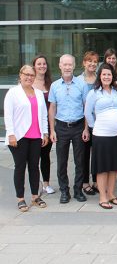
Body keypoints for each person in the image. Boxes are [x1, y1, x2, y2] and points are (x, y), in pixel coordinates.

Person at [4, 65, 49, 212]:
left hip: (36, 136)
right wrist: (11, 134)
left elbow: (43, 115)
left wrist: (45, 133)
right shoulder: (13, 93)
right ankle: (20, 198)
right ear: (20, 75)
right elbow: (8, 115)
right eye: (26, 74)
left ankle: (35, 196)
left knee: (34, 167)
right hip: (19, 136)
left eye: (32, 75)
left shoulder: (38, 93)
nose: (29, 77)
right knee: (20, 167)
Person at [48, 54, 89, 204]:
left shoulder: (81, 84)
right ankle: (64, 191)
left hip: (78, 126)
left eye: (69, 64)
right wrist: (52, 130)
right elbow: (52, 108)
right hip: (61, 128)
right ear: (60, 66)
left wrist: (86, 129)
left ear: (74, 65)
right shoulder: (54, 86)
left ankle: (78, 190)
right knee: (61, 161)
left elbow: (86, 107)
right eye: (64, 64)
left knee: (80, 161)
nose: (67, 67)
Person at [84, 64, 117, 209]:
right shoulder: (94, 93)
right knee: (102, 167)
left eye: (109, 75)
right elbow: (87, 113)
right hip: (101, 135)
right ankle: (103, 196)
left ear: (112, 76)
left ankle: (111, 194)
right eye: (104, 75)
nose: (106, 77)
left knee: (113, 166)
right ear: (99, 77)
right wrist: (94, 127)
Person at [32, 55, 55, 195]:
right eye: (39, 64)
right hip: (32, 125)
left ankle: (46, 183)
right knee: (34, 156)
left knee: (45, 155)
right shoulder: (29, 82)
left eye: (44, 64)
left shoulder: (50, 84)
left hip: (47, 124)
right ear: (34, 66)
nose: (42, 66)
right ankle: (35, 184)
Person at [78, 51, 99, 196]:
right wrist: (85, 127)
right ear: (84, 63)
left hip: (99, 123)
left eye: (95, 61)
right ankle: (85, 182)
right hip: (84, 123)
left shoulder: (100, 78)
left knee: (97, 153)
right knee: (84, 154)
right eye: (89, 61)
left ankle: (96, 181)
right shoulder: (78, 81)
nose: (92, 64)